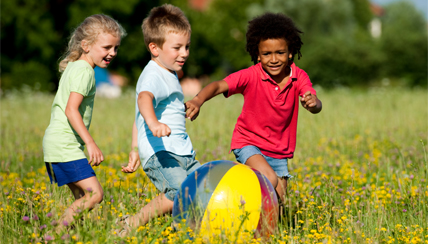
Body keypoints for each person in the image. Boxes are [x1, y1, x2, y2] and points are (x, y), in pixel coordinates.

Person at [185, 13, 322, 204]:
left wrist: (313, 103)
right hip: (248, 143)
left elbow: (315, 102)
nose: (273, 59)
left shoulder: (299, 77)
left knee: (279, 202)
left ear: (290, 52)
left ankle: (266, 232)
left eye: (280, 53)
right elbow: (218, 85)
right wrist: (198, 100)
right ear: (258, 55)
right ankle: (235, 193)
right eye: (267, 54)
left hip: (279, 150)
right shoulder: (250, 76)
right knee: (269, 179)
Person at [119, 4, 200, 233]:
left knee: (202, 188)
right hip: (161, 153)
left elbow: (139, 116)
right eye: (177, 47)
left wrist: (134, 148)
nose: (184, 53)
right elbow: (144, 100)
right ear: (154, 48)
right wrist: (154, 124)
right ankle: (137, 223)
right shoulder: (153, 74)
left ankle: (187, 229)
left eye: (187, 47)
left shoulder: (169, 72)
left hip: (182, 151)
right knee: (182, 192)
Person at [42, 14, 126, 231]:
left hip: (58, 143)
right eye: (107, 47)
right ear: (86, 45)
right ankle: (54, 235)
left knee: (81, 197)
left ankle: (70, 235)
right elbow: (71, 110)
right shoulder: (85, 71)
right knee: (95, 194)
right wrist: (90, 142)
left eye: (116, 48)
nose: (112, 53)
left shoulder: (75, 66)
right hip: (65, 144)